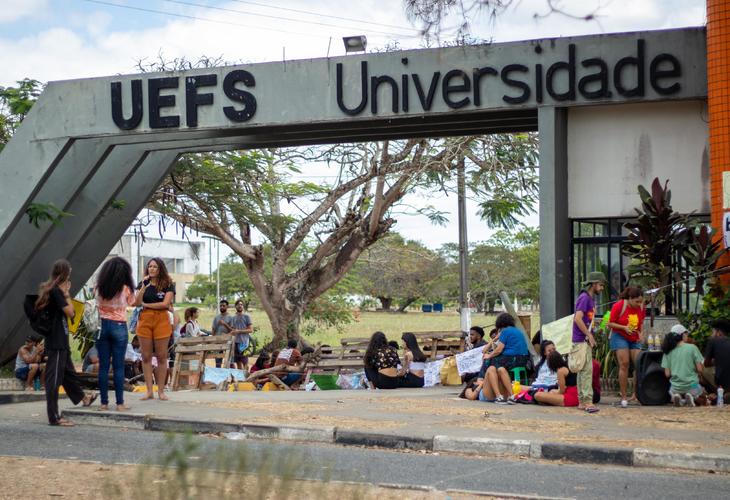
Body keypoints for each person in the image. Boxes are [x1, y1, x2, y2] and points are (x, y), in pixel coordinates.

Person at [35, 259, 97, 426]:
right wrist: (67, 294)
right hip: (56, 343)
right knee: (53, 379)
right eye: (69, 273)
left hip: (61, 340)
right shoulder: (56, 291)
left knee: (68, 374)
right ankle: (53, 417)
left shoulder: (53, 290)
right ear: (64, 274)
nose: (70, 276)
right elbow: (70, 312)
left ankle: (83, 398)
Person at [94, 256, 137, 411]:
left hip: (102, 326)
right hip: (119, 326)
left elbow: (96, 300)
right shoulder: (126, 288)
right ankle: (120, 404)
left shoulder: (99, 286)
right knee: (119, 366)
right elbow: (132, 302)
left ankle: (104, 403)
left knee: (103, 367)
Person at [134, 257, 175, 401]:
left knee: (161, 356)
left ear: (160, 269)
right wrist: (144, 286)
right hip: (145, 320)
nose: (151, 269)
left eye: (155, 267)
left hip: (161, 320)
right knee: (146, 356)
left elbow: (165, 304)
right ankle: (149, 390)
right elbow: (136, 303)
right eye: (150, 266)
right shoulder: (143, 283)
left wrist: (148, 304)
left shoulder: (167, 284)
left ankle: (161, 391)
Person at [607, 286, 645, 408]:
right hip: (620, 336)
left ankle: (636, 394)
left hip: (634, 337)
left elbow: (641, 322)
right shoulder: (619, 305)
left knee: (639, 364)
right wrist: (624, 328)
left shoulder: (641, 307)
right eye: (636, 302)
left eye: (641, 301)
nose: (639, 304)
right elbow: (610, 323)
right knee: (624, 364)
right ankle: (623, 396)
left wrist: (641, 333)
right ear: (629, 298)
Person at [572, 271, 604, 413]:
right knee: (586, 371)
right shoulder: (584, 298)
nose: (602, 288)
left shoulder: (590, 299)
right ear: (594, 284)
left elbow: (585, 319)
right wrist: (588, 335)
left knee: (583, 371)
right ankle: (588, 402)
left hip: (582, 339)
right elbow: (577, 318)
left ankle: (582, 401)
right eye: (601, 285)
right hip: (581, 340)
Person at [483, 313, 529, 404]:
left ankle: (484, 381)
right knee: (500, 368)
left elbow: (499, 350)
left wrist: (489, 355)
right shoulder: (517, 330)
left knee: (490, 363)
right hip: (524, 359)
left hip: (513, 358)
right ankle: (511, 395)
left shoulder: (505, 331)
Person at [661, 324, 705, 406]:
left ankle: (679, 397)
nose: (687, 335)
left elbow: (667, 374)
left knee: (676, 389)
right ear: (683, 334)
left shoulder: (668, 351)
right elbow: (700, 369)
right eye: (686, 333)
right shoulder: (692, 347)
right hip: (692, 385)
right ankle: (691, 396)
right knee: (702, 392)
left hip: (675, 387)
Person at [704, 318, 730, 405]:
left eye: (713, 331)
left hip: (721, 381)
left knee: (701, 370)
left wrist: (715, 361)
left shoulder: (713, 341)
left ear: (718, 332)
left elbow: (706, 364)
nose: (712, 334)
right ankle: (725, 395)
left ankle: (719, 394)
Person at [229, 299, 253, 371]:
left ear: (243, 306)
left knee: (245, 362)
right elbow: (233, 330)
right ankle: (241, 379)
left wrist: (239, 331)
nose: (240, 306)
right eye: (238, 304)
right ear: (235, 306)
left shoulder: (247, 316)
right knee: (238, 361)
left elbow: (251, 330)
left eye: (241, 304)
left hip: (244, 343)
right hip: (235, 342)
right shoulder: (233, 318)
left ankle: (246, 377)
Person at [211, 299, 232, 368]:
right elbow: (213, 330)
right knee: (218, 361)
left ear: (227, 307)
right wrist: (212, 340)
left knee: (228, 361)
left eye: (223, 306)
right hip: (218, 342)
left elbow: (232, 330)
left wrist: (225, 324)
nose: (222, 307)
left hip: (227, 342)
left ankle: (228, 377)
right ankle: (218, 377)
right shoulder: (216, 317)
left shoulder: (231, 318)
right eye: (220, 306)